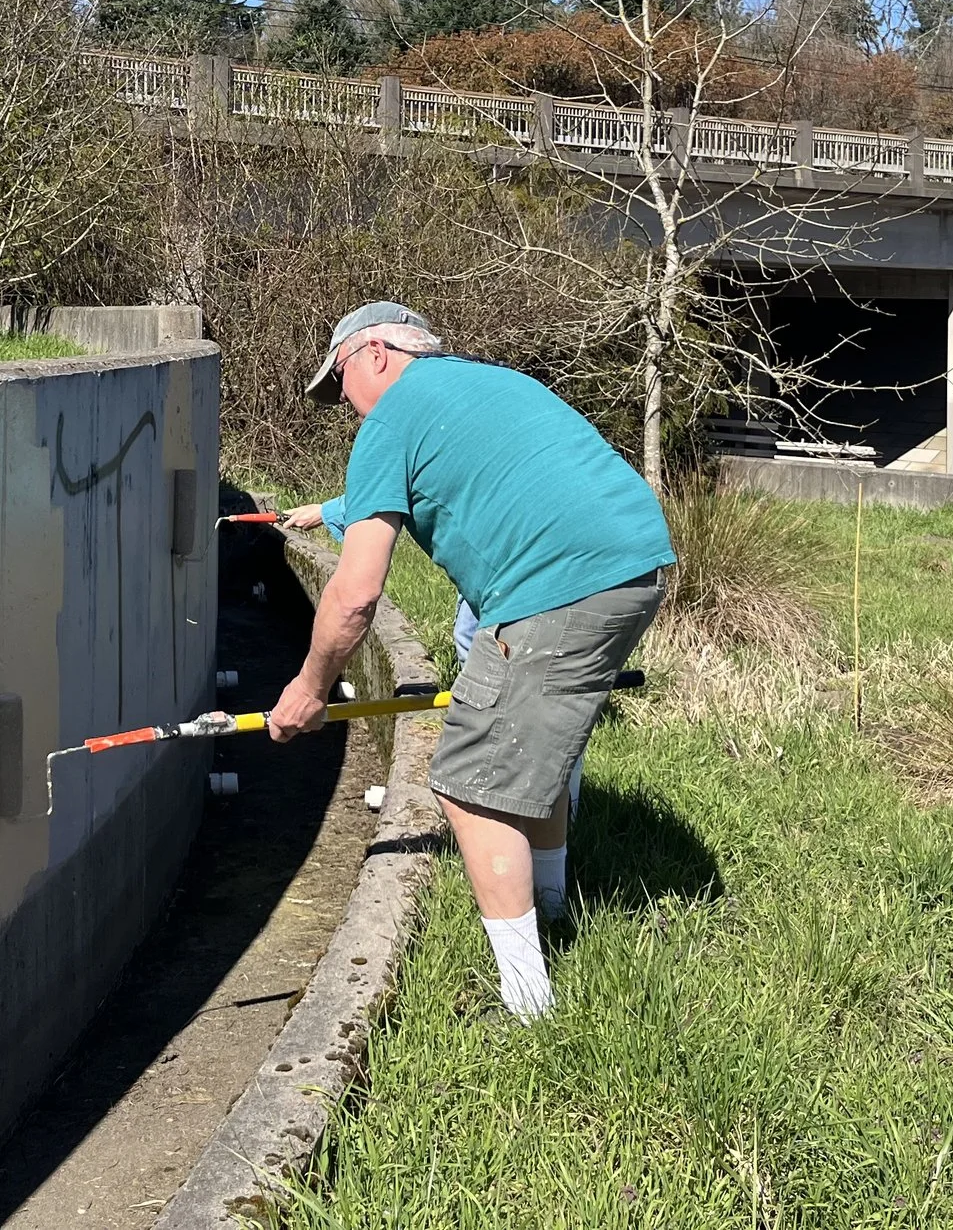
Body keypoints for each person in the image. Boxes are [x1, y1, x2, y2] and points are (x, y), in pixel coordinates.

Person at [266, 301, 673, 1021]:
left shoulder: (392, 418)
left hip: (560, 585)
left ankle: (528, 1008)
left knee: (469, 781)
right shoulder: (485, 384)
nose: (346, 407)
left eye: (341, 385)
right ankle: (550, 910)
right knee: (531, 756)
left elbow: (356, 594)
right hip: (636, 564)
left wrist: (308, 687)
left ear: (376, 354)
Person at [280, 496, 587, 831]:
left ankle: (521, 812)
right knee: (537, 695)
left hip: (516, 559)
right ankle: (545, 823)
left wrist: (310, 688)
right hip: (557, 553)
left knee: (516, 695)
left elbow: (357, 593)